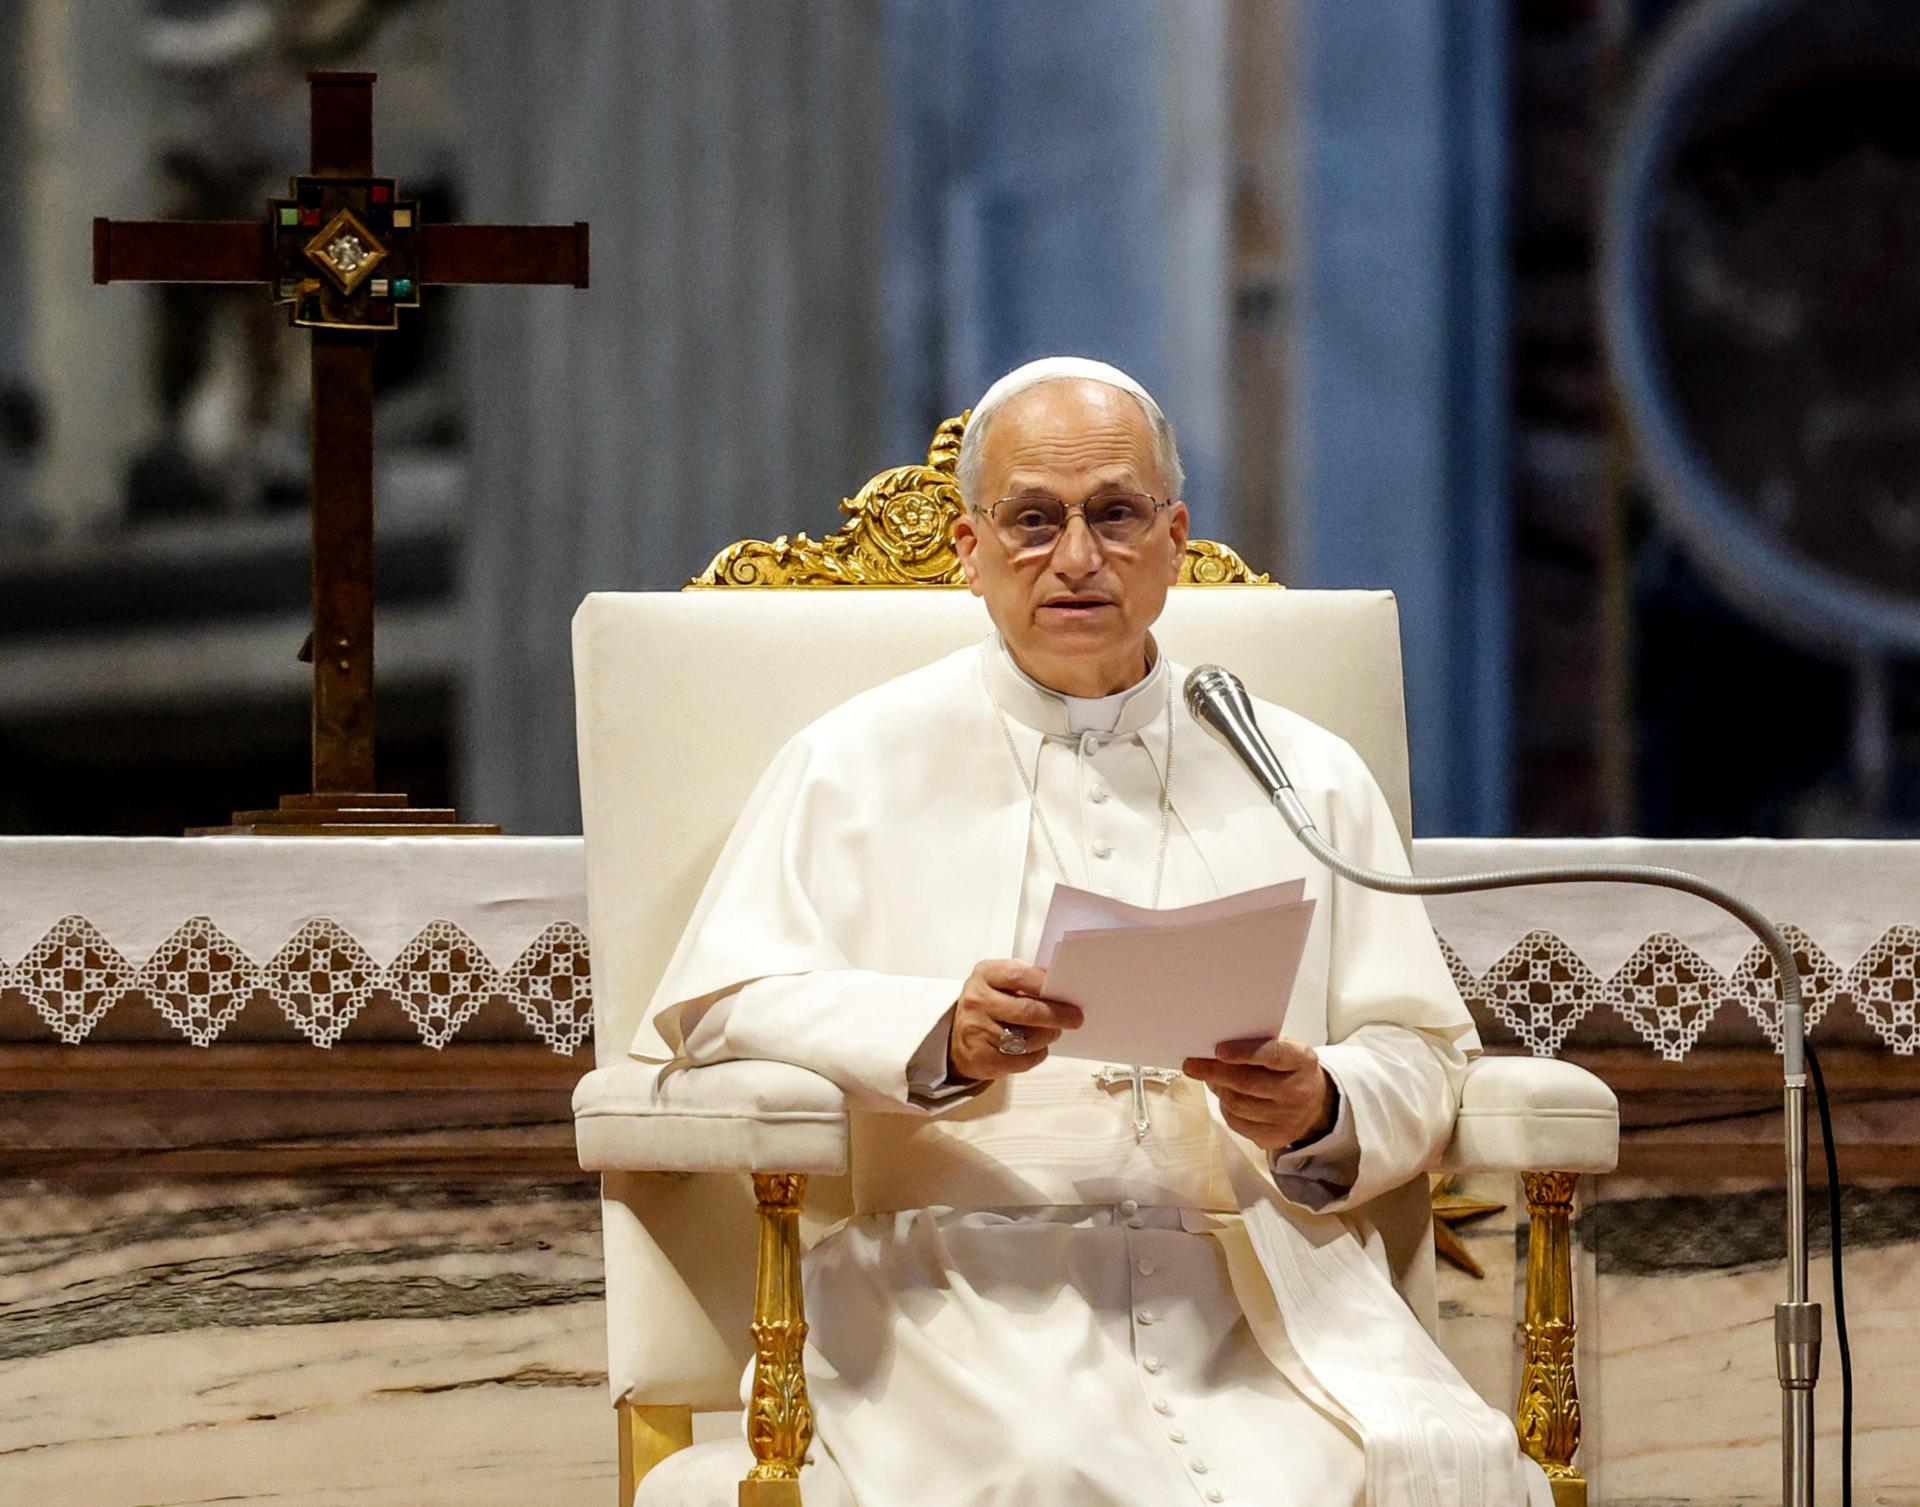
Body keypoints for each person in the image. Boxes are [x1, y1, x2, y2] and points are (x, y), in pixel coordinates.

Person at [634, 356, 1551, 1507]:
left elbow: (1421, 1052)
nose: (1076, 558)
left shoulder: (1303, 771)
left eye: (1115, 515)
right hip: (966, 1286)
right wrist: (935, 1033)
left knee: (1440, 1473)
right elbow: (719, 1003)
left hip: (1259, 1283)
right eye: (1033, 520)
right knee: (1042, 1473)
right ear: (969, 551)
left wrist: (1321, 1104)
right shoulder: (851, 762)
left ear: (1173, 538)